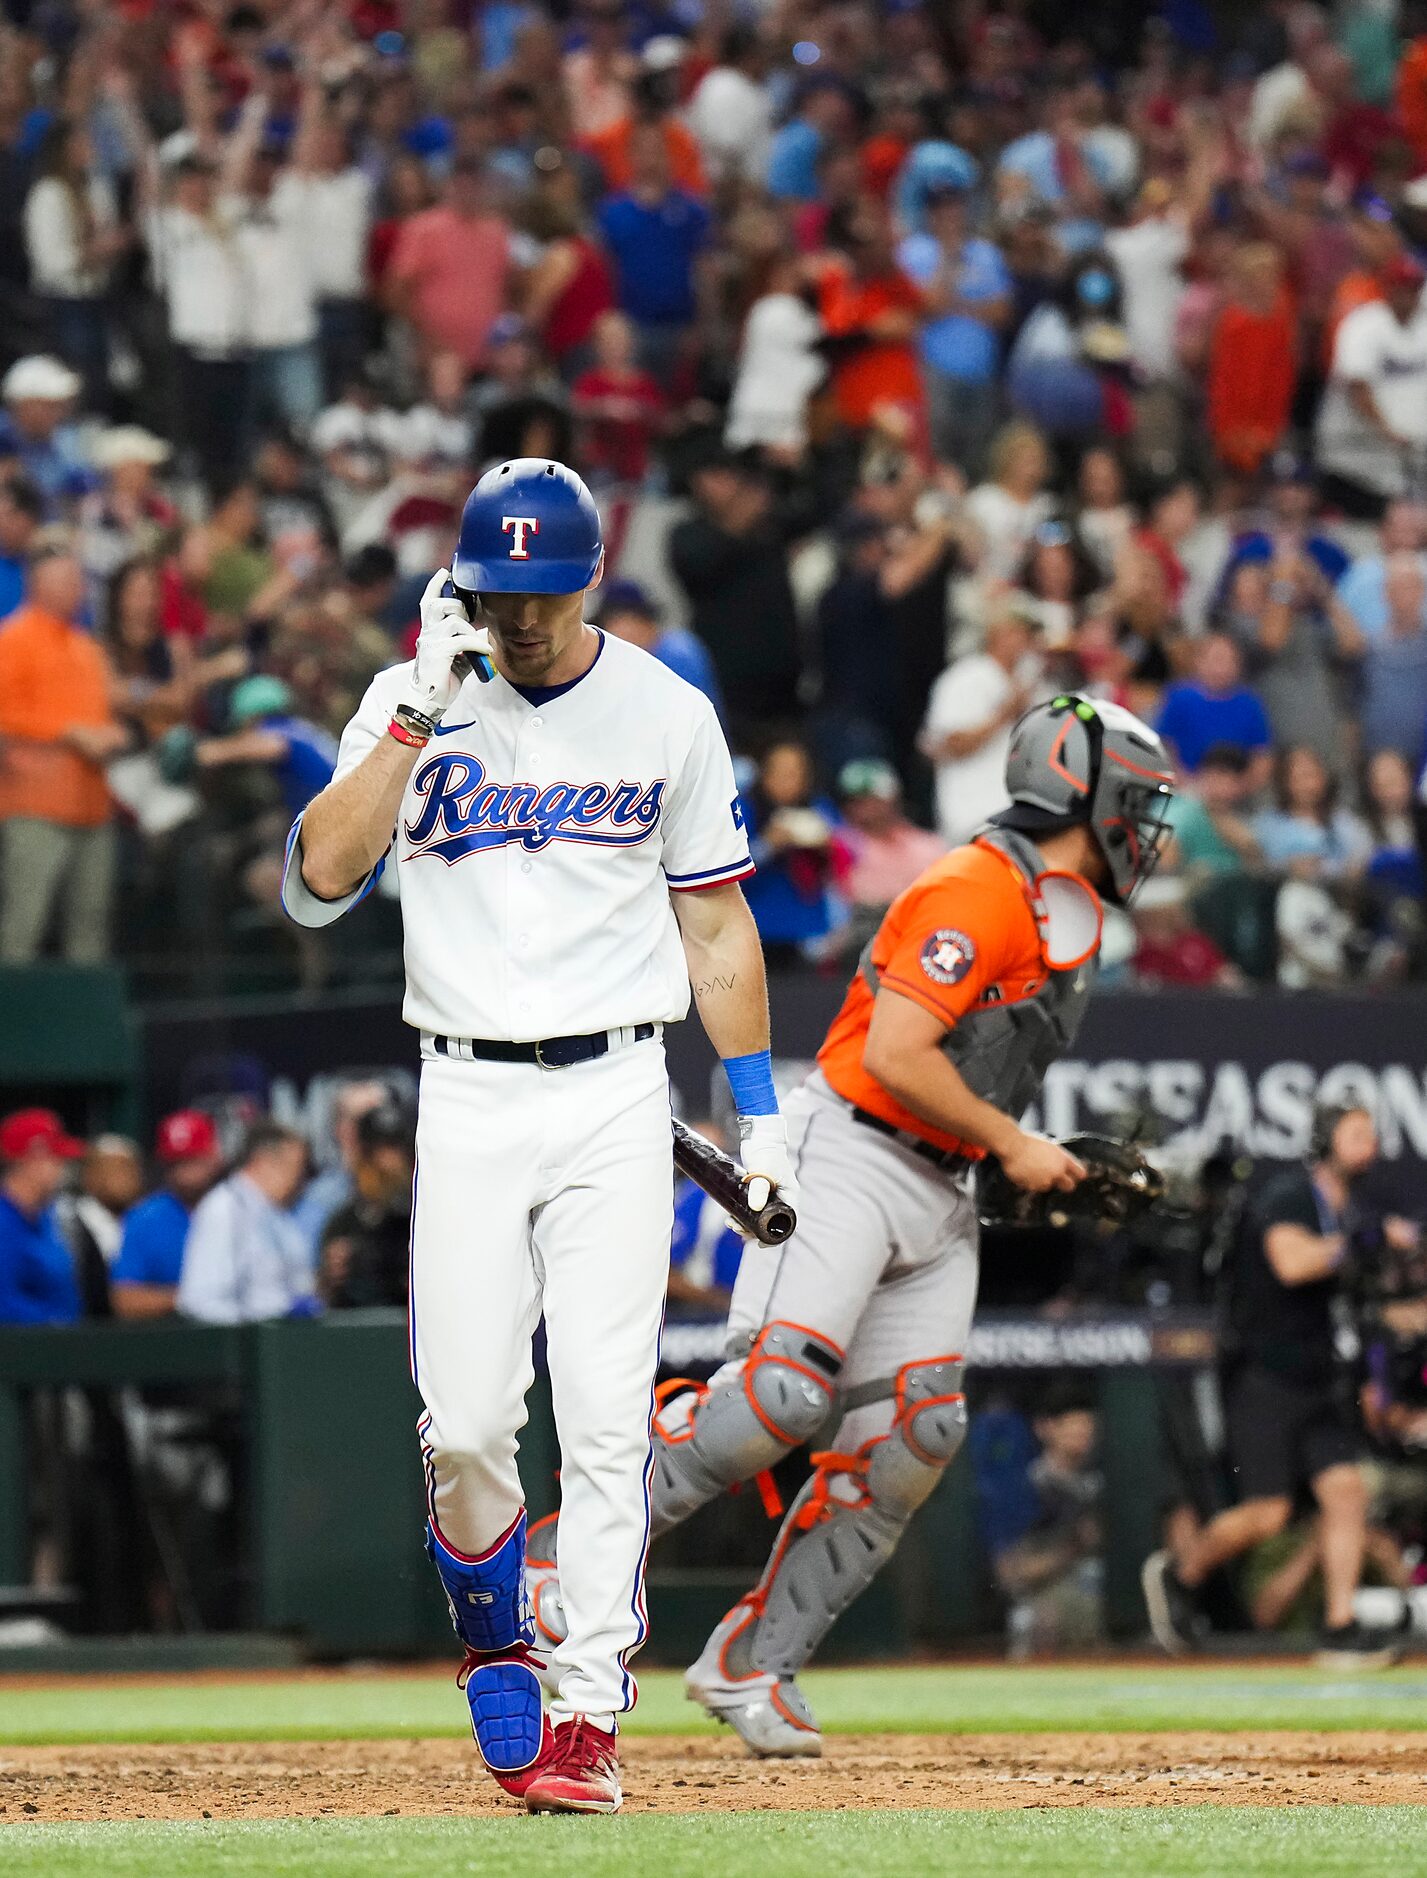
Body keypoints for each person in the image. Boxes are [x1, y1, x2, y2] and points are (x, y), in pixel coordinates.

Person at [282, 457, 791, 1813]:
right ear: (461, 582)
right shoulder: (411, 699)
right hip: (465, 1088)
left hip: (616, 1087)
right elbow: (319, 881)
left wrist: (758, 1105)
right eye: (494, 592)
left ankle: (583, 1712)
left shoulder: (663, 709)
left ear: (590, 582)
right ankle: (493, 1635)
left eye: (539, 595)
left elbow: (714, 922)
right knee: (462, 1429)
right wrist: (413, 720)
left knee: (607, 1419)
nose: (516, 620)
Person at [528, 693, 1175, 1754]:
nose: (1145, 832)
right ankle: (559, 1553)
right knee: (775, 1399)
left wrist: (1001, 1153)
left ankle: (753, 1664)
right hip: (851, 1149)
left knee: (915, 1432)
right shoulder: (976, 887)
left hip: (939, 1182)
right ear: (1081, 793)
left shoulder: (1064, 916)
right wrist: (1013, 1145)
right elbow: (895, 1057)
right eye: (1134, 806)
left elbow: (966, 1074)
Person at [1143, 1104, 1408, 1669]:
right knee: (1268, 1512)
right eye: (1355, 1132)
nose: (1369, 1144)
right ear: (1325, 1140)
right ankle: (1181, 1574)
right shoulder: (1290, 1196)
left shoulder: (1353, 1210)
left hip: (1322, 1381)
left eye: (1370, 1133)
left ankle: (1340, 1625)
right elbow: (1290, 1263)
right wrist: (1360, 1243)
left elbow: (1368, 1294)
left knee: (1346, 1492)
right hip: (1267, 1376)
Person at [0, 540, 128, 964]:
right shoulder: (13, 640)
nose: (80, 588)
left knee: (90, 930)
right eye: (70, 579)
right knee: (23, 924)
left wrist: (112, 735)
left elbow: (104, 713)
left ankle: (85, 1028)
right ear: (39, 584)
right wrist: (70, 733)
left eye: (79, 579)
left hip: (92, 809)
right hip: (35, 809)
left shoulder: (88, 649)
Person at [920, 609, 1043, 846]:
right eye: (1020, 632)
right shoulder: (966, 677)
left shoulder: (1029, 683)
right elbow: (953, 745)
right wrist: (1004, 714)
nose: (1027, 641)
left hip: (1016, 815)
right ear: (997, 634)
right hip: (973, 816)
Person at [1316, 255, 1427, 518]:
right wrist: (1389, 431)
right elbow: (1358, 388)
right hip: (1357, 456)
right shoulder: (1362, 324)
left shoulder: (1423, 326)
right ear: (1386, 287)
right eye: (1400, 286)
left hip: (1408, 457)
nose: (1406, 294)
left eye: (1412, 287)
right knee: (1366, 525)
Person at [176, 1121, 313, 1325]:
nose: (300, 1180)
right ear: (264, 1162)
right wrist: (266, 1316)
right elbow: (199, 1301)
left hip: (283, 1343)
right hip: (245, 1347)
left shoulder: (279, 1214)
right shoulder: (224, 1209)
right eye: (295, 1168)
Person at [111, 1110, 225, 1321]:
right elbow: (125, 1300)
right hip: (171, 1339)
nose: (184, 1174)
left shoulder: (236, 1210)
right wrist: (189, 1298)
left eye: (192, 1160)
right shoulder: (144, 1218)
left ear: (214, 1157)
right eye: (176, 1162)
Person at [320, 1100, 416, 1310]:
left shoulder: (420, 1220)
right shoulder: (343, 1222)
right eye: (375, 1152)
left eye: (395, 1150)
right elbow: (322, 1301)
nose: (387, 1163)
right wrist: (329, 1278)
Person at [0, 1108, 83, 1325]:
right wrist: (51, 1323)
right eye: (56, 1159)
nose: (62, 1168)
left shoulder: (46, 1217)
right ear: (32, 1160)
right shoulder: (4, 1222)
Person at [1156, 633, 1273, 784]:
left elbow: (1262, 756)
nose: (1222, 667)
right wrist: (1189, 786)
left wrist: (1239, 787)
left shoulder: (1250, 704)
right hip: (1185, 789)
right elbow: (1164, 747)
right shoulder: (1179, 699)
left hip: (1238, 792)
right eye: (1217, 659)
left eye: (1229, 660)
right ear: (1199, 661)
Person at [596, 579, 721, 713]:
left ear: (645, 621)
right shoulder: (616, 659)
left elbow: (684, 714)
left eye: (626, 621)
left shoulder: (676, 652)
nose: (620, 632)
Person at [55, 1135, 144, 1317]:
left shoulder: (145, 1219)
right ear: (89, 1175)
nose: (123, 1177)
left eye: (128, 1167)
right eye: (112, 1169)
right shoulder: (70, 1219)